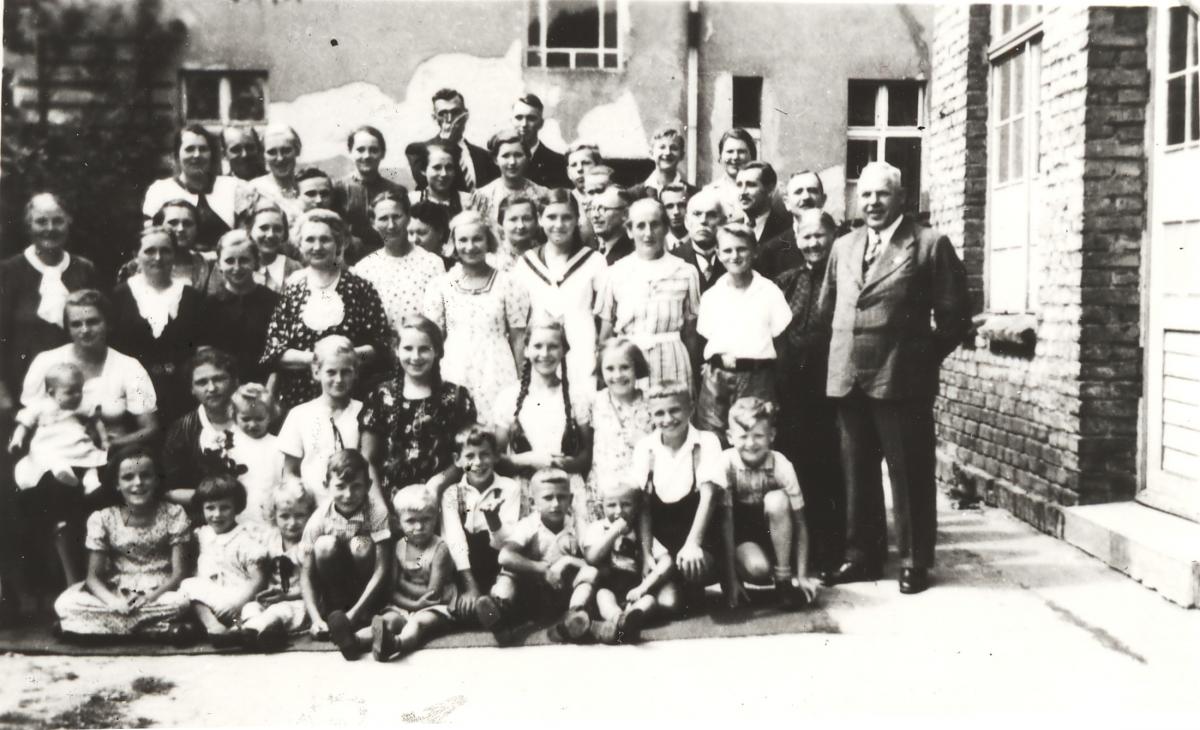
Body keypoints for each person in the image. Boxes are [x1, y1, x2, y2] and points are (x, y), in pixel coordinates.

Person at [817, 161, 970, 595]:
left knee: (909, 474)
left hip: (902, 382)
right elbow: (830, 309)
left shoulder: (928, 244)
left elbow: (955, 319)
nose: (873, 202)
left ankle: (914, 561)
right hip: (848, 378)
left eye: (882, 194)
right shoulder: (844, 247)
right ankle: (861, 556)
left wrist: (918, 360)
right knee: (856, 474)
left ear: (901, 198)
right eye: (865, 194)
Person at [53, 447, 194, 641]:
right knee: (66, 602)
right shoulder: (103, 518)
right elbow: (93, 578)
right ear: (117, 484)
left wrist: (149, 598)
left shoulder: (174, 513)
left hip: (159, 593)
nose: (138, 483)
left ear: (156, 480)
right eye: (128, 477)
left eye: (145, 476)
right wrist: (113, 602)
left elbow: (179, 574)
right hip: (117, 591)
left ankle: (87, 629)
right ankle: (156, 630)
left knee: (181, 602)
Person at [772, 209, 845, 573]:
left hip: (830, 389)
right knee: (796, 470)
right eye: (807, 237)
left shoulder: (845, 278)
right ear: (797, 240)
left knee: (829, 471)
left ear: (833, 237)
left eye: (820, 236)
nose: (813, 243)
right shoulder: (785, 281)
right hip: (792, 392)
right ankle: (796, 550)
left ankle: (830, 552)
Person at [259, 209, 390, 412]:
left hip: (352, 397)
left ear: (338, 243)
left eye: (325, 240)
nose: (317, 247)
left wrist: (344, 359)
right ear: (300, 245)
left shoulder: (360, 288)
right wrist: (318, 359)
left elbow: (380, 347)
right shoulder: (292, 289)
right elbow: (275, 353)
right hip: (298, 401)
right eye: (310, 240)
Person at [423, 210, 529, 425]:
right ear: (453, 242)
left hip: (497, 368)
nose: (470, 247)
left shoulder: (508, 283)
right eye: (463, 240)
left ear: (487, 240)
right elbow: (433, 339)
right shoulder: (441, 285)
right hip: (454, 367)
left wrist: (522, 383)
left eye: (477, 239)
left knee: (497, 429)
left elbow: (518, 338)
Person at [21, 290, 159, 451]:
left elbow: (150, 429)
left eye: (92, 322)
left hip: (110, 454)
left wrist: (111, 444)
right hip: (54, 453)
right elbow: (29, 418)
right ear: (68, 328)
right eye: (76, 324)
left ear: (108, 324)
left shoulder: (129, 367)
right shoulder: (46, 361)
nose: (85, 330)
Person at [628, 381, 725, 610]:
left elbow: (709, 498)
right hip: (663, 548)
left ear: (691, 409)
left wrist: (693, 543)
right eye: (659, 413)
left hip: (699, 542)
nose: (668, 418)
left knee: (693, 568)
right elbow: (643, 506)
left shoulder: (706, 442)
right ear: (651, 415)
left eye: (675, 410)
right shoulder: (646, 448)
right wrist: (646, 554)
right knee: (669, 604)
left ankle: (691, 585)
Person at [359, 316, 478, 501]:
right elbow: (368, 459)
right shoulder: (381, 395)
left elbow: (468, 455)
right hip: (392, 504)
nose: (415, 357)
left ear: (437, 351)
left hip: (445, 499)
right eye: (408, 348)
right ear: (396, 350)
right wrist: (379, 506)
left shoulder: (456, 397)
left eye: (424, 349)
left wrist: (439, 482)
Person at [473, 469, 598, 644]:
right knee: (509, 572)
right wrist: (542, 569)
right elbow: (505, 556)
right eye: (548, 498)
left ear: (570, 499)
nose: (555, 504)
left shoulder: (578, 525)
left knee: (590, 572)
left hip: (564, 595)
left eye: (561, 497)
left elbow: (593, 560)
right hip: (531, 596)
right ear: (533, 502)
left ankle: (575, 615)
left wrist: (567, 561)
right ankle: (500, 615)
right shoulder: (529, 525)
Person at [713, 398, 816, 609]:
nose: (751, 444)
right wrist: (731, 580)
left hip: (776, 534)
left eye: (758, 435)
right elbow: (726, 523)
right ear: (730, 437)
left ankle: (783, 581)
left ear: (771, 436)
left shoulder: (782, 465)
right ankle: (737, 578)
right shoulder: (726, 462)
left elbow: (801, 523)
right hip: (742, 538)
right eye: (743, 436)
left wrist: (803, 575)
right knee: (757, 568)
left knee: (777, 499)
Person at [695, 223, 792, 445]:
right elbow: (705, 341)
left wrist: (777, 387)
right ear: (718, 254)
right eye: (728, 250)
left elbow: (782, 345)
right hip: (717, 378)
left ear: (754, 252)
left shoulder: (769, 292)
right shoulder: (712, 296)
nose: (735, 256)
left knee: (754, 439)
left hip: (757, 378)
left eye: (742, 249)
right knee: (713, 441)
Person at [492, 318, 593, 531]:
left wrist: (560, 464)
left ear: (564, 350)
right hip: (525, 491)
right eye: (538, 346)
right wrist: (530, 459)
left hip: (566, 490)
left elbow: (586, 456)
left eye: (553, 346)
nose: (545, 354)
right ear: (526, 349)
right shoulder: (509, 397)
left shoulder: (576, 396)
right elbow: (496, 459)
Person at [336, 485, 456, 662]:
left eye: (426, 519)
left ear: (436, 518)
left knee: (418, 623)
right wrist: (408, 599)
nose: (419, 526)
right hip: (405, 605)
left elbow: (433, 594)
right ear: (399, 521)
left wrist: (403, 584)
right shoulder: (399, 546)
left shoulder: (440, 548)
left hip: (435, 607)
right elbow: (391, 590)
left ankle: (395, 644)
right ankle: (354, 641)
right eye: (411, 521)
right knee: (387, 620)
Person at [0, 193, 98, 408]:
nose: (50, 228)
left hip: (75, 387)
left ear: (68, 222)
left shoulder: (84, 269)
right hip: (20, 386)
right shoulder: (8, 271)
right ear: (29, 225)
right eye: (41, 221)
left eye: (58, 221)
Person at [110, 226, 215, 423]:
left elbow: (203, 350)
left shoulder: (192, 297)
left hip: (181, 396)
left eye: (165, 251)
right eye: (150, 251)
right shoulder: (119, 296)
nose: (158, 257)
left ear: (174, 254)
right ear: (136, 255)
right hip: (133, 396)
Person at [597, 198, 701, 391]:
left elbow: (691, 333)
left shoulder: (686, 272)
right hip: (628, 363)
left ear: (666, 229)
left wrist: (694, 378)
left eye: (655, 225)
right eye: (640, 226)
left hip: (673, 363)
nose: (648, 233)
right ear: (629, 231)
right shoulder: (614, 273)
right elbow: (606, 334)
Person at [511, 189, 607, 387]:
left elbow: (604, 316)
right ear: (540, 219)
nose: (558, 225)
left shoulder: (594, 261)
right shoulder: (526, 263)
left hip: (582, 348)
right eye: (551, 217)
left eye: (566, 217)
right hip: (541, 350)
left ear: (576, 220)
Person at [298, 449, 393, 648]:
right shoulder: (319, 518)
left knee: (361, 545)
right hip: (334, 583)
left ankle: (361, 613)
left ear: (368, 485)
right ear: (326, 486)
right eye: (340, 486)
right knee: (324, 545)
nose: (348, 495)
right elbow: (306, 573)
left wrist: (354, 614)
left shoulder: (376, 511)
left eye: (356, 486)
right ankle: (332, 611)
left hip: (364, 585)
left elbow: (382, 568)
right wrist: (315, 619)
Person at [440, 425, 523, 618]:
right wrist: (470, 587)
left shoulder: (509, 488)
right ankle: (485, 610)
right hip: (466, 570)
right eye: (469, 456)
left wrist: (493, 521)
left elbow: (507, 544)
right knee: (459, 607)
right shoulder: (453, 494)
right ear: (458, 460)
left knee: (507, 591)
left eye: (485, 454)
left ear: (495, 456)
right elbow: (455, 542)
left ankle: (494, 608)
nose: (478, 462)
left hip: (497, 564)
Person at [178, 475, 268, 644]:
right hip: (212, 597)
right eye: (210, 508)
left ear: (237, 508)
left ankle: (241, 633)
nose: (217, 514)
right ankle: (213, 627)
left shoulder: (244, 538)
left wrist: (238, 603)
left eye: (225, 508)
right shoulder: (203, 534)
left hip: (240, 597)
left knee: (253, 610)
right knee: (188, 585)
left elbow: (258, 579)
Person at [582, 481, 674, 643]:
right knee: (603, 596)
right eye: (611, 505)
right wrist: (614, 531)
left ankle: (629, 621)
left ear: (637, 507)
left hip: (635, 588)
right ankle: (618, 620)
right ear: (601, 506)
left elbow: (666, 561)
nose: (619, 511)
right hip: (609, 586)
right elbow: (592, 557)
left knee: (649, 601)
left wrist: (643, 588)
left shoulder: (642, 533)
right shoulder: (598, 529)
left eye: (626, 505)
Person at [277, 336, 364, 506]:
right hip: (313, 509)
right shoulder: (299, 415)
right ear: (316, 372)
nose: (339, 380)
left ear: (355, 373)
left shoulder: (364, 412)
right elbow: (289, 472)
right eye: (331, 372)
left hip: (355, 507)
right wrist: (299, 494)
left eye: (346, 372)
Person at [142, 124, 256, 252]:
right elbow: (151, 239)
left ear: (211, 154)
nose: (197, 155)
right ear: (176, 155)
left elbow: (246, 238)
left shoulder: (235, 187)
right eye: (189, 149)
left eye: (203, 149)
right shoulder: (160, 190)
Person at [236, 481, 316, 652]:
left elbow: (313, 585)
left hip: (297, 601)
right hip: (270, 600)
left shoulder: (307, 544)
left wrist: (286, 596)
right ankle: (259, 633)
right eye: (285, 516)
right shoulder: (270, 538)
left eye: (300, 515)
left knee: (281, 612)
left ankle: (253, 633)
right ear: (274, 515)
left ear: (310, 515)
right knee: (249, 608)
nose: (292, 522)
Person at [9, 363, 107, 501]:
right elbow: (24, 423)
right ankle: (62, 471)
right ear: (51, 393)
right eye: (70, 392)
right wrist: (17, 439)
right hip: (48, 441)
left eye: (79, 390)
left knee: (91, 459)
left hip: (75, 439)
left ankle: (91, 481)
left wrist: (104, 440)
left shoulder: (82, 404)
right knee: (47, 456)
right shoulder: (41, 406)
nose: (77, 395)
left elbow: (97, 421)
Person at [351, 192, 446, 332]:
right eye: (383, 218)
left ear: (408, 217)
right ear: (373, 223)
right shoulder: (364, 269)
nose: (391, 225)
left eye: (396, 217)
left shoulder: (432, 263)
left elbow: (438, 319)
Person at [585, 339, 654, 525]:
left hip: (640, 490)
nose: (618, 375)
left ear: (637, 368)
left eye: (625, 367)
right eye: (610, 369)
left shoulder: (651, 403)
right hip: (604, 489)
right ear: (601, 371)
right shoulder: (594, 403)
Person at [161, 347, 240, 505]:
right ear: (192, 389)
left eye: (219, 379)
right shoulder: (183, 429)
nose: (211, 388)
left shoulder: (257, 418)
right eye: (201, 382)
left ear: (234, 382)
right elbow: (171, 490)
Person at [207, 230, 279, 385]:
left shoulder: (273, 302)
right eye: (229, 261)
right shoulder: (208, 306)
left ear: (256, 262)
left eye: (244, 260)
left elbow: (278, 356)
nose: (237, 268)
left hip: (264, 387)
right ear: (219, 264)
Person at [409, 88, 498, 193]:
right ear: (434, 117)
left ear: (466, 115)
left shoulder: (484, 156)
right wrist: (448, 143)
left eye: (455, 112)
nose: (450, 119)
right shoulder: (419, 151)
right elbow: (427, 184)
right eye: (443, 114)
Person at [335, 125, 407, 250]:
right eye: (360, 150)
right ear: (351, 152)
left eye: (374, 150)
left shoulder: (397, 191)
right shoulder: (338, 189)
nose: (367, 156)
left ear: (382, 153)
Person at [119, 199, 217, 289]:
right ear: (159, 227)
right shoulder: (135, 267)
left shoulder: (209, 264)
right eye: (173, 223)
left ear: (197, 229)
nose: (181, 229)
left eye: (187, 223)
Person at [756, 171, 837, 279]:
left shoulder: (842, 241)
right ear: (787, 202)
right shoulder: (771, 251)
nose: (806, 197)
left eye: (812, 191)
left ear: (823, 199)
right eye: (798, 192)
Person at [469, 128, 549, 235]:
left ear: (527, 157)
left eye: (518, 155)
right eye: (505, 156)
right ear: (495, 160)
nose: (512, 162)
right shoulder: (483, 196)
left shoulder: (542, 194)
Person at [227, 383, 284, 528]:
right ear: (234, 416)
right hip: (235, 514)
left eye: (259, 419)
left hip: (267, 513)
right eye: (245, 419)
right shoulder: (228, 443)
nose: (252, 425)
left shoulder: (278, 445)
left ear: (270, 416)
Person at [670, 188, 727, 293]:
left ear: (723, 222)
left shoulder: (732, 260)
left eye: (711, 215)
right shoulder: (671, 261)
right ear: (687, 221)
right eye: (697, 214)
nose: (703, 221)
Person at [250, 124, 305, 230]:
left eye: (286, 151)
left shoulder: (308, 186)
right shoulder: (254, 189)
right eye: (272, 152)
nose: (280, 158)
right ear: (263, 156)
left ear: (297, 151)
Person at [512, 93, 569, 189]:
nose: (524, 124)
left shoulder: (559, 163)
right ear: (511, 121)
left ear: (541, 123)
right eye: (519, 117)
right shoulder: (499, 162)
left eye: (531, 118)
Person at [245, 203, 303, 293]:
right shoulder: (235, 264)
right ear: (249, 231)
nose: (271, 235)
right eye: (263, 228)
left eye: (277, 229)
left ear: (284, 233)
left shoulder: (295, 268)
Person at [407, 142, 472, 219]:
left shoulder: (469, 201)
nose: (444, 174)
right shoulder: (411, 201)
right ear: (423, 170)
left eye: (449, 168)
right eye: (437, 167)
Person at [703, 128, 756, 216]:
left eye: (741, 152)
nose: (735, 157)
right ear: (720, 158)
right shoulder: (709, 192)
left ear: (752, 156)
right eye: (730, 151)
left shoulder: (766, 191)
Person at [736, 161, 790, 247]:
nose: (742, 192)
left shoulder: (786, 229)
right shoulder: (732, 228)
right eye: (739, 185)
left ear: (770, 189)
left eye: (751, 185)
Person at [642, 126, 697, 199]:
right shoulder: (634, 195)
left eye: (674, 148)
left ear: (682, 155)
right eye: (662, 147)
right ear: (651, 153)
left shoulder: (694, 194)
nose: (667, 152)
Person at [492, 193, 539, 272]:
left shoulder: (545, 254)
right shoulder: (493, 261)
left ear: (536, 221)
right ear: (501, 223)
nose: (520, 226)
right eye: (513, 219)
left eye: (526, 218)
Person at [587, 187, 634, 265]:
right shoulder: (593, 251)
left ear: (625, 214)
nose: (595, 215)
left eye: (602, 209)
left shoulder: (630, 256)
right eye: (593, 209)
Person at [408, 200, 455, 269]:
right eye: (410, 233)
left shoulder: (455, 270)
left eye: (422, 233)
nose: (414, 240)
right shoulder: (401, 267)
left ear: (440, 233)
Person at [659, 182, 691, 253]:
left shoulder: (699, 244)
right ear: (661, 210)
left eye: (681, 205)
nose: (676, 212)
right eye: (669, 206)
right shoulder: (657, 245)